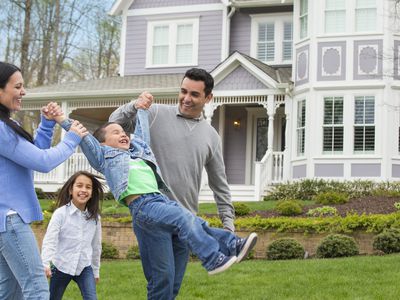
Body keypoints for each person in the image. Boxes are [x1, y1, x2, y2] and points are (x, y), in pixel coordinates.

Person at [56, 108, 257, 300]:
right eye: (116, 132)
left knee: (173, 278)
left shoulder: (140, 153)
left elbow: (142, 135)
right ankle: (213, 258)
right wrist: (61, 119)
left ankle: (232, 245)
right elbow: (84, 138)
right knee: (177, 235)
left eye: (124, 131)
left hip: (161, 202)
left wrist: (142, 109)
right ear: (103, 144)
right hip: (143, 206)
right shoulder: (105, 158)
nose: (123, 134)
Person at [109, 68, 235, 296]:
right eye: (183, 91)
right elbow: (113, 123)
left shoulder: (211, 136)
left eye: (195, 94)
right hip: (152, 215)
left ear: (208, 98)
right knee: (162, 283)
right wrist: (135, 105)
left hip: (185, 221)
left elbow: (220, 185)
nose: (186, 99)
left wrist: (229, 226)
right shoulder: (155, 113)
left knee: (172, 287)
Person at [0, 62, 88, 299]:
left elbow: (33, 155)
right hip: (9, 220)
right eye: (17, 86)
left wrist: (47, 124)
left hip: (6, 223)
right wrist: (72, 139)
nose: (23, 92)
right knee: (37, 288)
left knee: (10, 292)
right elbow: (43, 162)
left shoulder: (8, 126)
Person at [41, 171, 103, 300]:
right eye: (79, 186)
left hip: (84, 267)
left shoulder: (95, 218)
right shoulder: (60, 214)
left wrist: (95, 270)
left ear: (92, 193)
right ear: (71, 190)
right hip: (61, 266)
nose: (83, 190)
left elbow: (96, 246)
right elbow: (50, 240)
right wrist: (46, 263)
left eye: (88, 187)